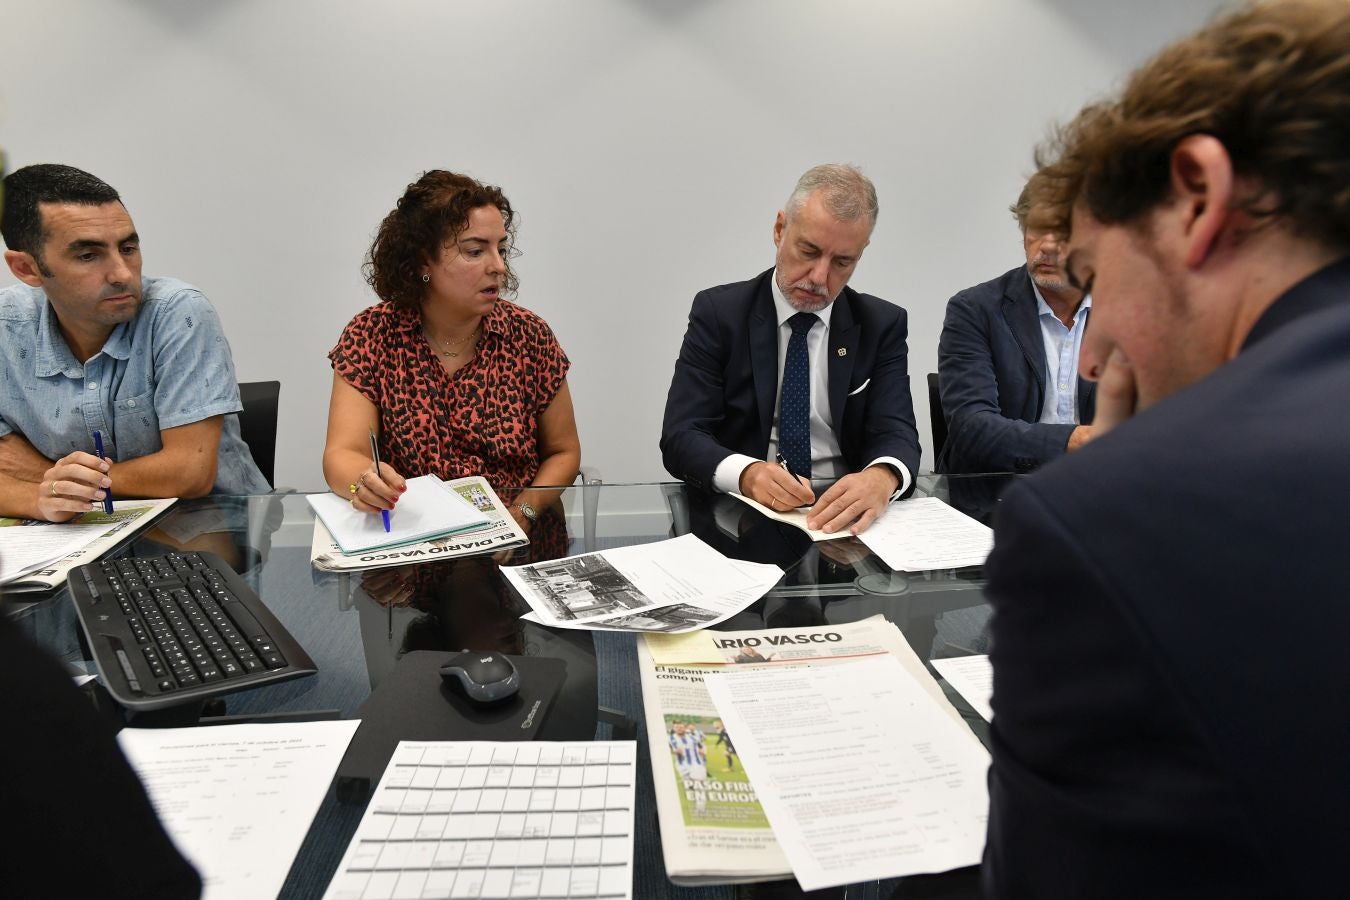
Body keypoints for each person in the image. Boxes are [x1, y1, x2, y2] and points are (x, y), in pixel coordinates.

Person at [983, 2, 1350, 897]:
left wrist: (1112, 481)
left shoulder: (1112, 523)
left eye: (1097, 281)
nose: (1097, 351)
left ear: (1196, 193)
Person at [660, 164, 920, 536]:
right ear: (780, 229)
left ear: (860, 254)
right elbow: (682, 435)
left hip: (842, 524)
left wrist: (882, 477)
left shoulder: (882, 324)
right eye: (809, 251)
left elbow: (896, 431)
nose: (818, 277)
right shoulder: (720, 314)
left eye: (842, 262)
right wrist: (746, 473)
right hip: (740, 518)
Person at [0, 164, 268, 523]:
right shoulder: (7, 326)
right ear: (26, 268)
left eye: (127, 248)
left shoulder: (178, 311)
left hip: (210, 529)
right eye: (88, 255)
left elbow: (188, 474)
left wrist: (52, 478)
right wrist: (40, 496)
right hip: (70, 536)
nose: (122, 274)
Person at [323, 170, 581, 538]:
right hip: (413, 542)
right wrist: (361, 483)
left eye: (501, 249)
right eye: (475, 251)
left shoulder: (530, 336)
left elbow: (564, 453)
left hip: (513, 543)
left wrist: (525, 509)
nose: (498, 266)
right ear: (423, 261)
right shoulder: (372, 336)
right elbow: (341, 455)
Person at [936, 172, 1095, 473]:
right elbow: (973, 430)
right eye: (1037, 228)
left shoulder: (1131, 311)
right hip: (997, 495)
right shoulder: (975, 310)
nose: (1047, 245)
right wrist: (1079, 439)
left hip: (1100, 488)